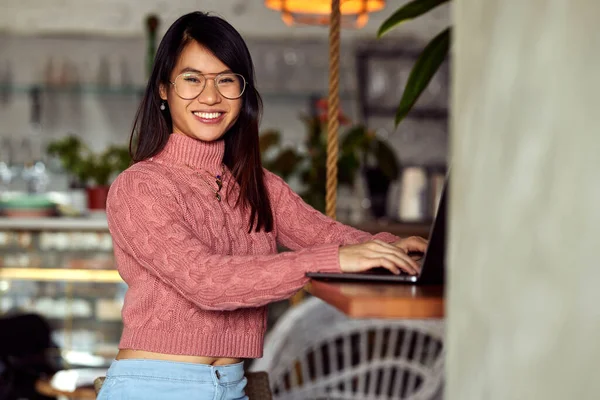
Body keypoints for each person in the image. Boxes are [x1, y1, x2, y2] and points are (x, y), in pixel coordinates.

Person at [98, 11, 428, 400]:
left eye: (226, 80)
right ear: (163, 90)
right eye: (191, 79)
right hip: (154, 387)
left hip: (234, 386)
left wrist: (390, 246)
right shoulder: (139, 186)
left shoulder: (257, 183)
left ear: (243, 92)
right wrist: (333, 259)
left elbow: (324, 234)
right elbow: (205, 281)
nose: (210, 96)